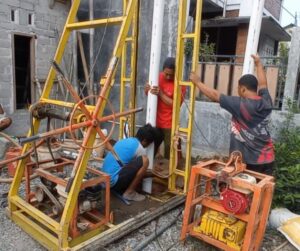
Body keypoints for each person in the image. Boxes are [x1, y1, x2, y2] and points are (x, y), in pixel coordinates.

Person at [189, 54, 274, 175]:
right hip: (268, 159)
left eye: (238, 88)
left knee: (243, 191)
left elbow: (215, 95)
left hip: (250, 161)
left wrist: (198, 82)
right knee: (263, 191)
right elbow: (263, 84)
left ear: (243, 89)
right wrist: (258, 64)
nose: (237, 91)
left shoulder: (241, 105)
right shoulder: (266, 100)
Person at [144, 57, 186, 159]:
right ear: (163, 70)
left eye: (170, 75)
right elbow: (149, 94)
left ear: (176, 72)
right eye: (166, 73)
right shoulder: (156, 77)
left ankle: (174, 171)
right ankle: (149, 168)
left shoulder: (180, 84)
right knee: (150, 149)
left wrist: (161, 94)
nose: (167, 77)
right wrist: (147, 90)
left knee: (172, 152)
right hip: (155, 121)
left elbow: (175, 104)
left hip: (169, 124)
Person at [102, 124, 156, 201]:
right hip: (113, 182)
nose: (147, 146)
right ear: (145, 141)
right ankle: (129, 193)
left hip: (104, 179)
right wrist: (154, 174)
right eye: (148, 144)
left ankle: (126, 189)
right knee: (145, 160)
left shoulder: (126, 140)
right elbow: (140, 172)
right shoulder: (140, 148)